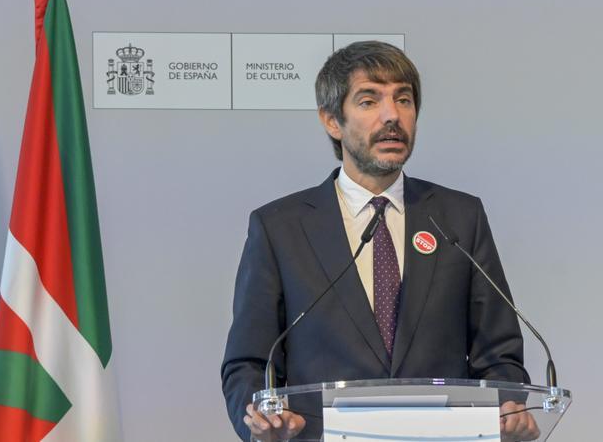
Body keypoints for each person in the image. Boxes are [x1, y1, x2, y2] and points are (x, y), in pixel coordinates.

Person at [221, 41, 539, 441]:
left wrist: (510, 406)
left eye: (403, 100)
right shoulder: (280, 228)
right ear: (332, 120)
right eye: (369, 101)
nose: (393, 116)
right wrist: (261, 424)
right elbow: (248, 362)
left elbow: (499, 354)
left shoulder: (459, 217)